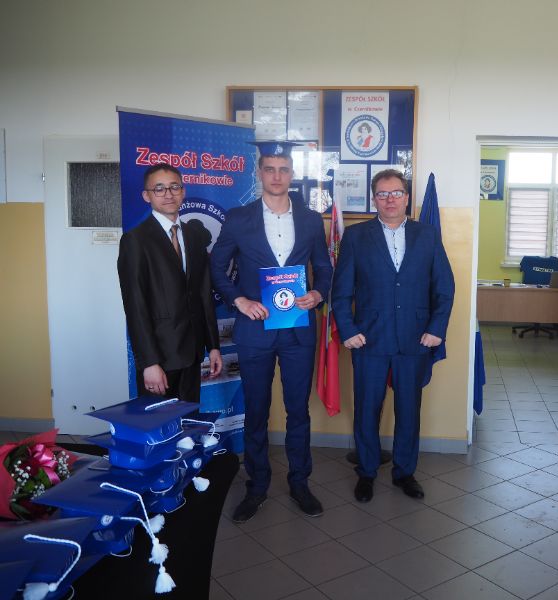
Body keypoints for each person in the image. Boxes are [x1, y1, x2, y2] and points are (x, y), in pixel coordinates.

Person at [210, 141, 332, 521]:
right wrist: (239, 301)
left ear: (292, 174)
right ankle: (257, 486)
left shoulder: (311, 220)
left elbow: (324, 268)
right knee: (256, 411)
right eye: (269, 169)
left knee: (298, 410)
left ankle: (300, 483)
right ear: (259, 173)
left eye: (283, 169)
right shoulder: (238, 218)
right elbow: (216, 267)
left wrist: (317, 293)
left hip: (297, 330)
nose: (277, 176)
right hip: (255, 330)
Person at [331, 169, 455, 503]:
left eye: (396, 193)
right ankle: (367, 471)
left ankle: (404, 472)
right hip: (369, 339)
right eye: (383, 194)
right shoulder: (356, 237)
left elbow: (444, 287)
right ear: (374, 199)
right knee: (367, 409)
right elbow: (341, 292)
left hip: (415, 338)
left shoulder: (427, 235)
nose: (390, 200)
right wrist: (348, 330)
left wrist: (436, 329)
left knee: (409, 410)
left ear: (407, 197)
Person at [117, 163, 222, 402]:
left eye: (174, 187)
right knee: (160, 422)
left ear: (183, 191)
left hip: (193, 351)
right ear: (147, 195)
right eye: (159, 188)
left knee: (189, 419)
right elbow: (135, 306)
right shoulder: (135, 240)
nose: (168, 194)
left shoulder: (194, 236)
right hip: (160, 357)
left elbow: (203, 293)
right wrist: (149, 362)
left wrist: (213, 346)